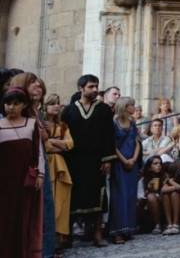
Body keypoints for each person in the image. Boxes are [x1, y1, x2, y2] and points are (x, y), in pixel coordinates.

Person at [61, 74, 116, 248]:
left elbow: (109, 136)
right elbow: (63, 135)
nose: (95, 89)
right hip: (73, 161)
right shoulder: (68, 111)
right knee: (72, 197)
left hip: (96, 161)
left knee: (97, 197)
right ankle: (67, 235)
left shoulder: (104, 110)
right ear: (81, 88)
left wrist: (107, 159)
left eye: (96, 86)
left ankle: (97, 235)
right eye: (91, 86)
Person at [0, 86, 45, 258]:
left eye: (16, 103)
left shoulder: (31, 124)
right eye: (8, 103)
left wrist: (40, 174)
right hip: (3, 181)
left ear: (24, 104)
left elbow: (38, 151)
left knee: (24, 218)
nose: (11, 107)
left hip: (24, 180)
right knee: (4, 218)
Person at [44, 94, 74, 251]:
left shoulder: (62, 126)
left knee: (61, 200)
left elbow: (70, 144)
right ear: (45, 106)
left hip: (60, 165)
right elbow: (44, 147)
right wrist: (56, 145)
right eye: (52, 103)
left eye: (58, 103)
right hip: (45, 164)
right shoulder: (40, 124)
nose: (56, 106)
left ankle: (59, 237)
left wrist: (53, 141)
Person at [108, 96, 140, 243]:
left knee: (130, 195)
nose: (134, 107)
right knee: (119, 197)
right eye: (132, 105)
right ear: (125, 107)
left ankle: (128, 228)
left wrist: (133, 159)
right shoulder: (114, 122)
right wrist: (124, 160)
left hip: (132, 162)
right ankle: (117, 231)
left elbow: (137, 142)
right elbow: (112, 145)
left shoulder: (132, 122)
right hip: (119, 163)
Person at [141, 156, 167, 235]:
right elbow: (141, 196)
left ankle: (169, 224)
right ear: (149, 167)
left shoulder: (164, 176)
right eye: (155, 163)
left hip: (164, 200)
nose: (159, 165)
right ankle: (157, 224)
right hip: (149, 204)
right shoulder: (144, 179)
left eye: (160, 163)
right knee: (151, 197)